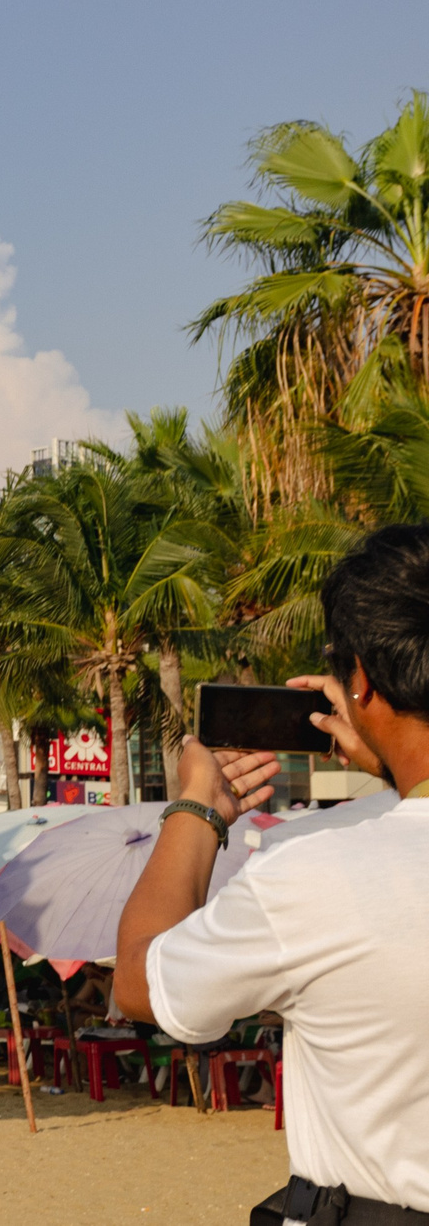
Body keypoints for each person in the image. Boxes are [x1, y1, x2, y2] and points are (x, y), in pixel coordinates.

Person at [115, 523, 429, 1225]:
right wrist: (391, 764)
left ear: (362, 682)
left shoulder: (318, 876)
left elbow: (139, 979)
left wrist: (198, 806)